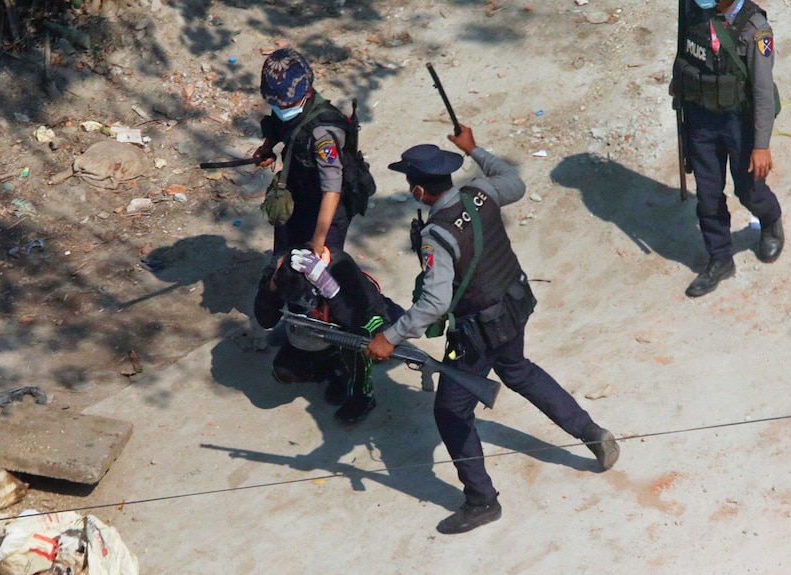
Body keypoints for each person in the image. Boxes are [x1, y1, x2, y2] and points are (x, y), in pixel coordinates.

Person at [366, 125, 620, 535]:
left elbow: (434, 303)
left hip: (476, 333)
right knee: (518, 370)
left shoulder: (436, 235)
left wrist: (389, 337)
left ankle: (481, 501)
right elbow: (515, 182)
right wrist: (476, 150)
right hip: (514, 305)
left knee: (450, 411)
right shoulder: (479, 193)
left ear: (418, 192)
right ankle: (591, 432)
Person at [672, 0, 784, 297]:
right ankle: (720, 257)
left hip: (739, 123)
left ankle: (770, 219)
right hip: (700, 118)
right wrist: (679, 83)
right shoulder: (692, 8)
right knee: (708, 196)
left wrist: (761, 146)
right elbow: (684, 51)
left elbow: (762, 92)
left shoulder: (755, 29)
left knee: (749, 190)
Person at [254, 245, 403, 423]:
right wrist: (271, 287)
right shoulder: (282, 271)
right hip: (320, 331)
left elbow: (358, 320)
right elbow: (266, 321)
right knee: (284, 370)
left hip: (368, 317)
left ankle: (363, 395)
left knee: (356, 339)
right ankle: (336, 368)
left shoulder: (341, 267)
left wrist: (332, 292)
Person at [254, 48, 355, 257]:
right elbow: (282, 126)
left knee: (321, 276)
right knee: (283, 258)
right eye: (275, 104)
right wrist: (267, 148)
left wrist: (318, 242)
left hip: (325, 209)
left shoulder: (323, 133)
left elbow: (332, 189)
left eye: (285, 104)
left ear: (307, 92)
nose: (280, 108)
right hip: (297, 192)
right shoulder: (288, 101)